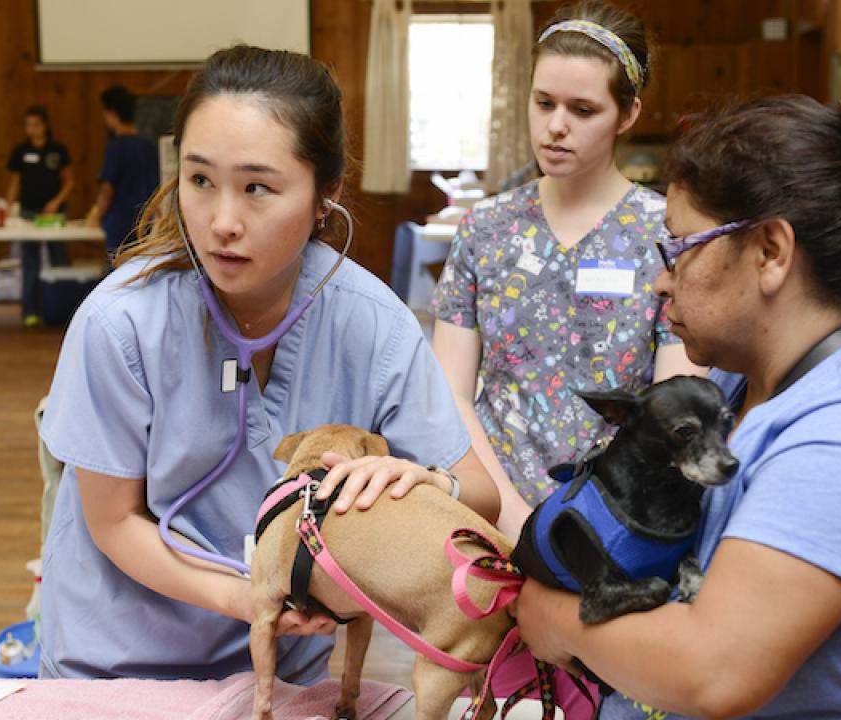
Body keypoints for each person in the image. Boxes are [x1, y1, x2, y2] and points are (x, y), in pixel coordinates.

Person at [514, 95, 841, 719]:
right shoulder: (748, 386)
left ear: (769, 252)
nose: (663, 279)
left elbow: (711, 673)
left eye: (681, 245)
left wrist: (550, 616)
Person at [37, 44, 499, 681]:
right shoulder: (121, 322)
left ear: (324, 193)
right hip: (118, 659)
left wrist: (421, 482)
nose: (222, 221)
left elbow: (477, 493)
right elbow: (113, 522)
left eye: (257, 188)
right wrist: (244, 597)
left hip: (282, 670)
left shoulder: (368, 320)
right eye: (200, 180)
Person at [432, 0, 701, 539]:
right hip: (490, 508)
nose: (556, 126)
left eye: (582, 110)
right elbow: (449, 394)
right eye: (544, 102)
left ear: (627, 115)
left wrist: (591, 522)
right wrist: (510, 515)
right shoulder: (486, 229)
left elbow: (675, 407)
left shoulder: (666, 236)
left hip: (617, 514)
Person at [6, 105, 74, 328]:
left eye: (36, 125)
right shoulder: (20, 151)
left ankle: (61, 309)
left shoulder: (58, 150)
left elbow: (69, 182)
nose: (32, 130)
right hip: (28, 213)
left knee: (58, 260)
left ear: (44, 125)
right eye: (28, 125)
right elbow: (15, 183)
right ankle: (30, 311)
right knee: (30, 262)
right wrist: (8, 207)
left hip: (54, 214)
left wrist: (56, 202)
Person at [86, 85, 160, 261]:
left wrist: (95, 217)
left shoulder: (116, 147)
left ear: (112, 113)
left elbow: (107, 189)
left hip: (120, 226)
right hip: (144, 225)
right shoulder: (147, 145)